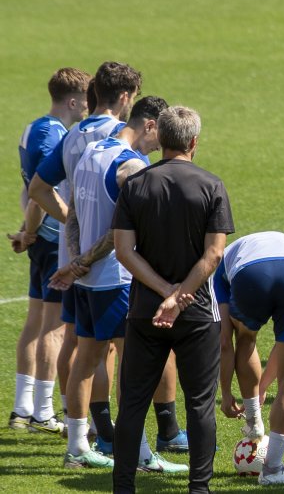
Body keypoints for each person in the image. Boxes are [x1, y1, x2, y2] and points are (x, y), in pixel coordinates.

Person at [52, 96, 187, 474]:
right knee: (135, 366)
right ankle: (141, 454)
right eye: (161, 132)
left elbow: (74, 208)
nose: (162, 141)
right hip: (117, 280)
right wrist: (85, 261)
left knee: (87, 359)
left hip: (89, 282)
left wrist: (78, 261)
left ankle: (78, 446)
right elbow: (119, 233)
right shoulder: (132, 166)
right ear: (149, 125)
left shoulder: (91, 150)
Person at [111, 106, 235, 494]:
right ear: (194, 142)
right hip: (197, 313)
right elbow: (213, 256)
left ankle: (123, 487)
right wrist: (180, 297)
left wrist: (164, 294)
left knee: (132, 403)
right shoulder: (212, 185)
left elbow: (124, 252)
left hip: (145, 311)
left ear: (160, 138)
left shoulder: (134, 186)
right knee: (199, 404)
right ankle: (199, 488)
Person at [28, 63, 140, 438]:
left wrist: (68, 224)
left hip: (70, 257)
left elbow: (39, 189)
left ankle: (77, 426)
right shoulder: (120, 138)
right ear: (125, 97)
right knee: (108, 351)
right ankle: (106, 430)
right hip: (106, 259)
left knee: (77, 341)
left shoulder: (74, 132)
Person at [8, 67, 88, 434]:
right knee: (54, 329)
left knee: (34, 322)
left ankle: (22, 408)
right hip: (55, 238)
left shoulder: (31, 128)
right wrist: (70, 224)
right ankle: (42, 411)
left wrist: (27, 232)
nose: (90, 106)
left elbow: (28, 190)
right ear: (73, 101)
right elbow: (42, 192)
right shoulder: (57, 136)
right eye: (87, 99)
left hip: (40, 236)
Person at [215, 231, 284, 485]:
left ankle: (254, 421)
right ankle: (272, 470)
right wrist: (265, 386)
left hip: (250, 275)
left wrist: (226, 394)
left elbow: (225, 343)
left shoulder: (218, 268)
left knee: (246, 337)